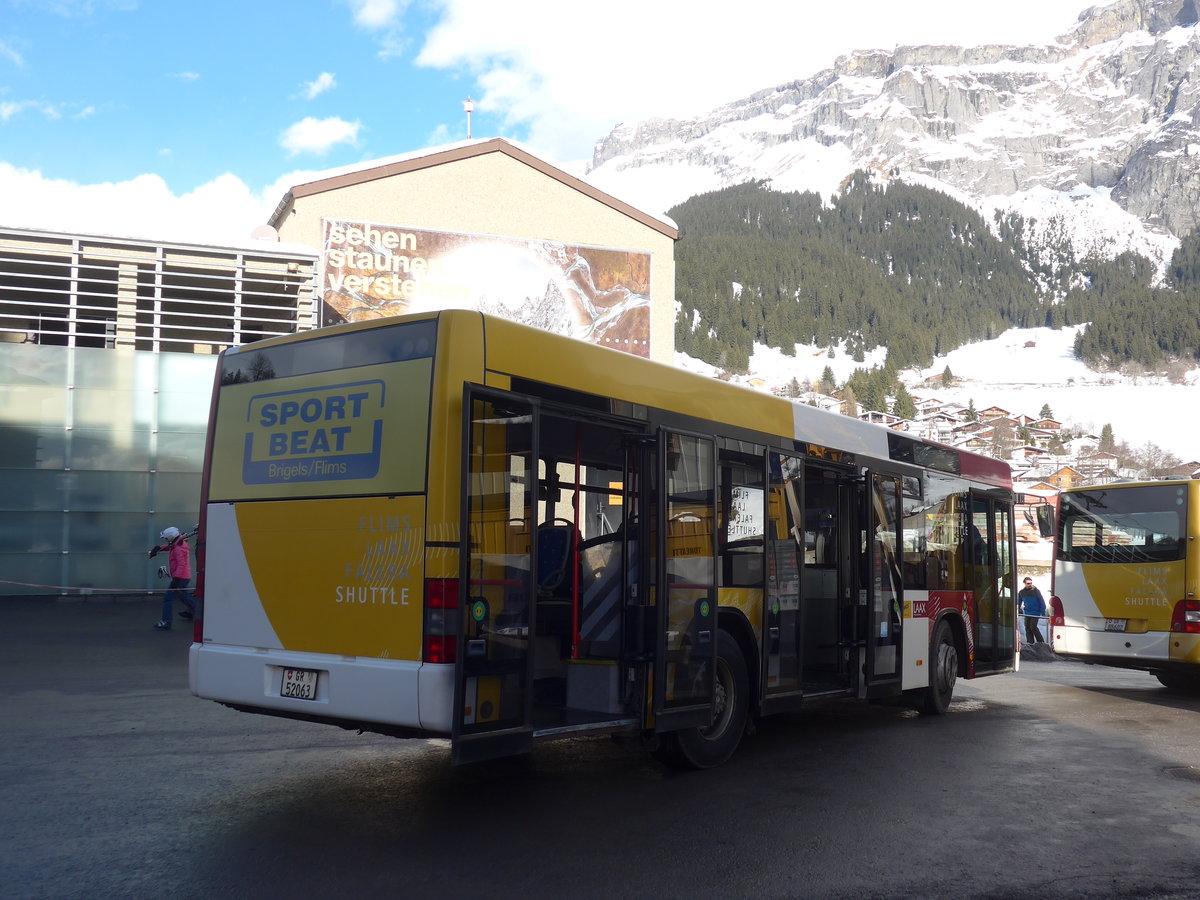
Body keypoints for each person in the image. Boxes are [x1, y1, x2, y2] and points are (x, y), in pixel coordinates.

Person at [149, 526, 196, 630]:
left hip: (180, 577)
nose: (165, 540)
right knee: (184, 596)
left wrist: (176, 579)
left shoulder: (179, 548)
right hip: (183, 577)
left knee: (168, 598)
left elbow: (181, 564)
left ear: (171, 537)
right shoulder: (177, 544)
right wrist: (158, 548)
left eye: (166, 538)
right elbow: (170, 547)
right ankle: (197, 612)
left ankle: (166, 622)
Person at [1018, 576, 1047, 644]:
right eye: (1028, 583)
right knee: (1027, 627)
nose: (1029, 584)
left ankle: (1041, 642)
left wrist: (1042, 611)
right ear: (1024, 583)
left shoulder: (1036, 591)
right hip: (1027, 612)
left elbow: (1041, 601)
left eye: (1030, 583)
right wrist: (1017, 609)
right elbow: (1018, 602)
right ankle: (1030, 642)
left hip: (1035, 612)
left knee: (1033, 626)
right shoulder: (1022, 592)